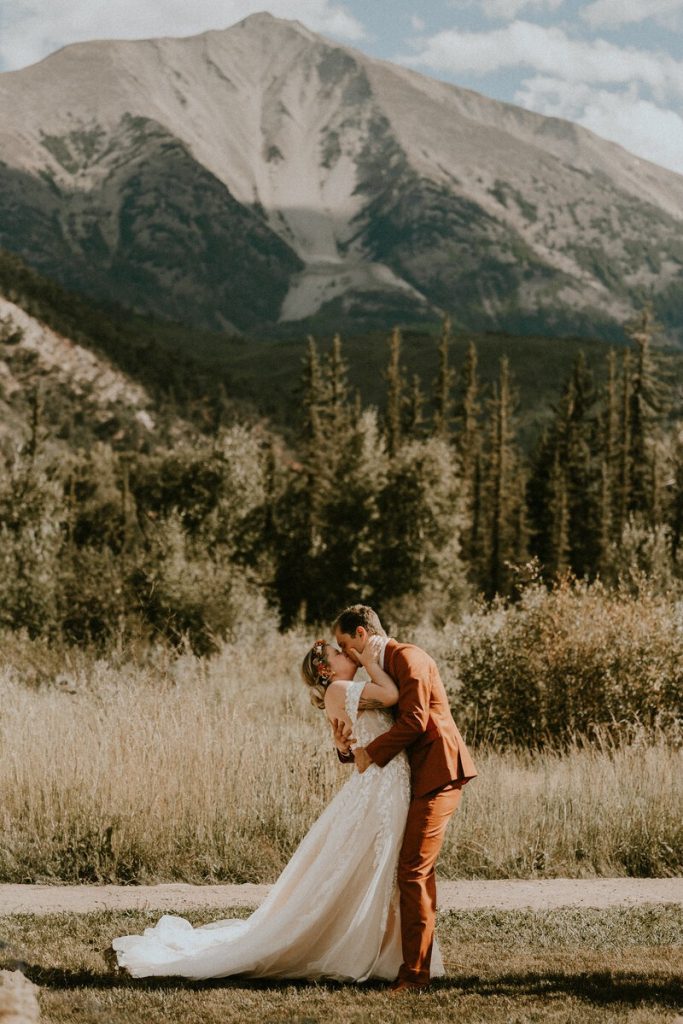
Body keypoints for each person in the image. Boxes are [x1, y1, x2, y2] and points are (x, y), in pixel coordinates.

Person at [109, 638, 439, 984]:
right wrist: (371, 661)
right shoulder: (342, 688)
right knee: (374, 867)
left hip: (387, 784)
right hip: (380, 788)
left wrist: (343, 746)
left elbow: (355, 737)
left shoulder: (348, 688)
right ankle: (366, 948)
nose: (347, 654)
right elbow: (389, 697)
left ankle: (393, 951)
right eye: (338, 654)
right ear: (326, 669)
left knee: (382, 869)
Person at [333, 604, 477, 993]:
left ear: (362, 635)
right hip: (415, 777)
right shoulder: (384, 671)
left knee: (412, 871)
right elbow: (371, 722)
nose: (344, 656)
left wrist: (370, 754)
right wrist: (347, 748)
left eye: (344, 645)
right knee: (416, 872)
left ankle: (415, 975)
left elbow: (415, 721)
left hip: (439, 773)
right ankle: (414, 965)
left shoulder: (409, 659)